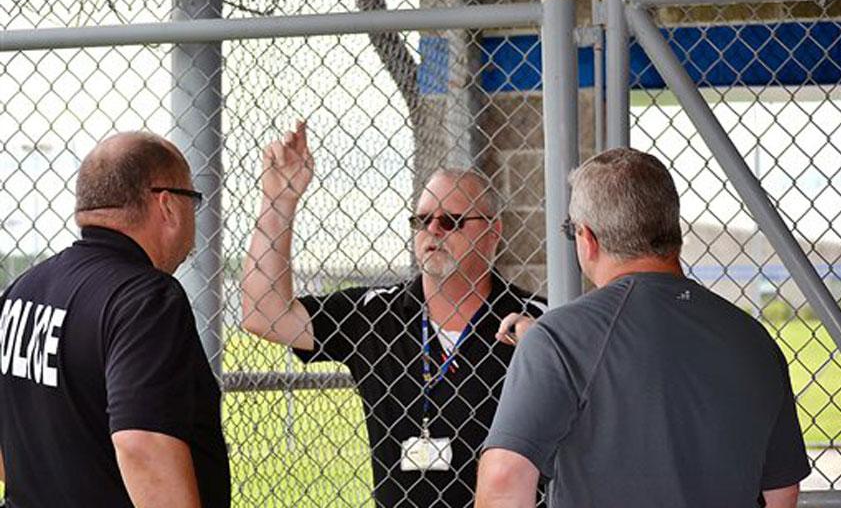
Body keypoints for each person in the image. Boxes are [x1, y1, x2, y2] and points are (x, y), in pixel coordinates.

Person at [476, 147, 811, 508]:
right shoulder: (753, 339)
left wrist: (546, 344)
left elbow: (504, 478)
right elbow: (782, 492)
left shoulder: (560, 339)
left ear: (587, 239)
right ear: (672, 229)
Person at [241, 123, 547, 507]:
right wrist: (279, 200)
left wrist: (544, 348)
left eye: (451, 221)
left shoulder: (537, 322)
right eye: (422, 220)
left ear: (493, 232)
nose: (432, 230)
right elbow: (263, 313)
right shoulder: (375, 312)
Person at [0, 132, 231, 507]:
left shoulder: (23, 289)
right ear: (168, 205)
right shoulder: (146, 299)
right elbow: (142, 442)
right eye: (193, 200)